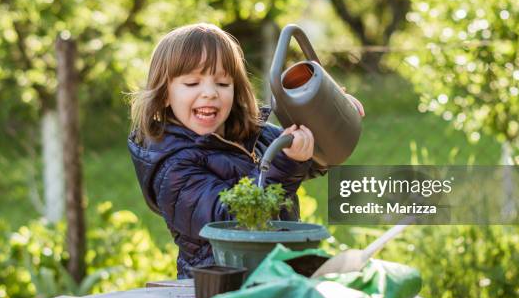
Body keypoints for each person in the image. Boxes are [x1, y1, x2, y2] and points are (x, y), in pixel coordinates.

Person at [128, 23, 364, 279]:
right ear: (164, 94)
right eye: (192, 83)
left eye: (222, 82)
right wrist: (285, 165)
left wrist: (328, 114)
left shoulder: (250, 134)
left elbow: (315, 160)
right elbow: (232, 219)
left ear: (235, 88)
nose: (209, 93)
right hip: (221, 289)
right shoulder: (173, 166)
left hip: (274, 273)